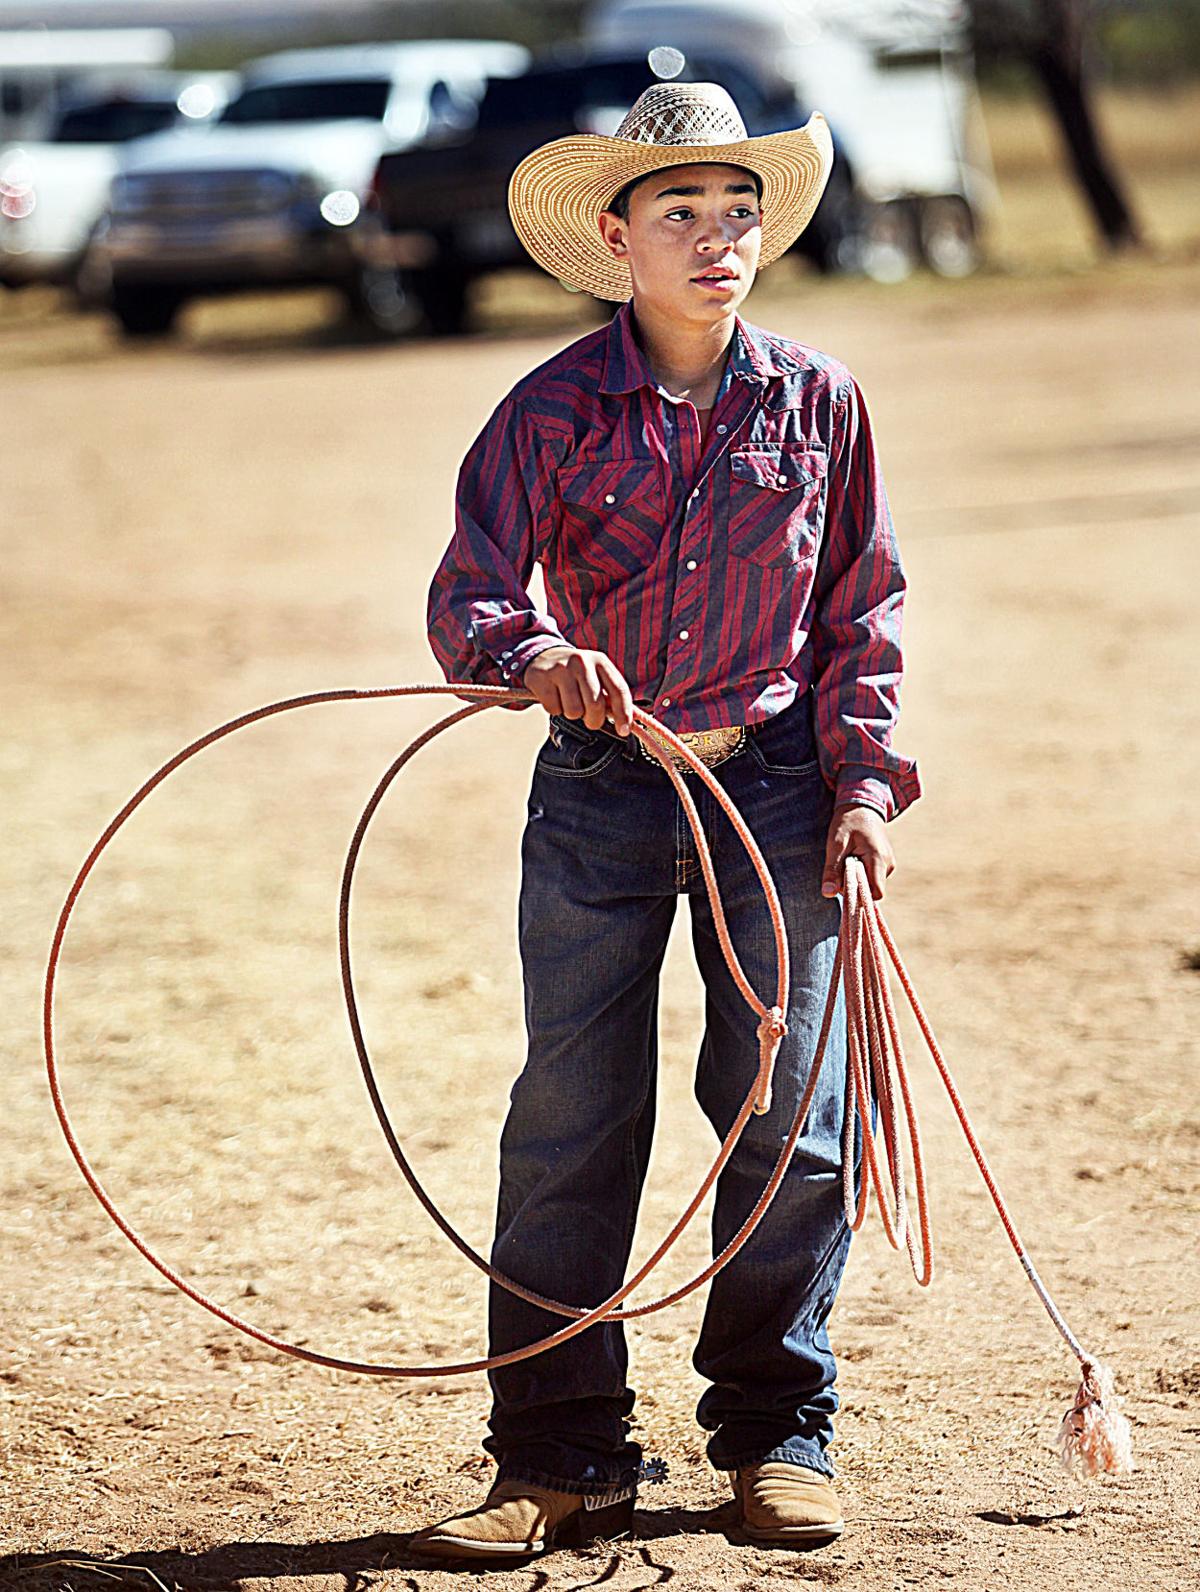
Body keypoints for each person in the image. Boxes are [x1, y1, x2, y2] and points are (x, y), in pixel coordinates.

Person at [413, 78, 921, 1563]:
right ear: (616, 238)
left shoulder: (820, 401)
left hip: (777, 785)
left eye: (738, 210)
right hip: (603, 783)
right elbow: (472, 594)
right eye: (681, 211)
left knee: (789, 1118)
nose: (716, 238)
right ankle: (558, 1454)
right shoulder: (549, 411)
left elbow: (863, 608)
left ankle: (777, 1433)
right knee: (571, 1120)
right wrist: (534, 657)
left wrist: (866, 786)